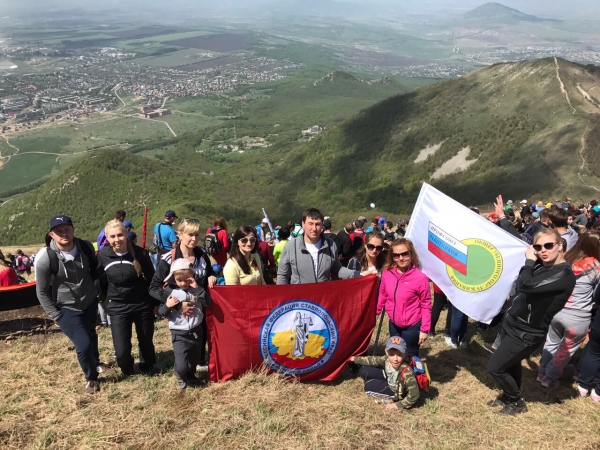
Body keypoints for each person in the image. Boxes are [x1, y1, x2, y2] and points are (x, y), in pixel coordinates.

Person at [487, 229, 576, 415]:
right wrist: (504, 220)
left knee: (495, 367)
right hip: (514, 323)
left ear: (560, 245)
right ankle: (508, 395)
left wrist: (529, 261)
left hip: (527, 331)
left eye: (549, 245)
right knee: (511, 363)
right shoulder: (543, 264)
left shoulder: (563, 274)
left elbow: (525, 285)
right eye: (538, 247)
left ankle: (517, 402)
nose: (544, 250)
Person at [35, 216, 103, 394]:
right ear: (52, 234)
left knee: (90, 334)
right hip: (66, 308)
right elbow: (41, 292)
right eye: (59, 231)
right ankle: (91, 378)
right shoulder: (46, 257)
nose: (64, 233)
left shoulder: (85, 247)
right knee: (83, 344)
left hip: (89, 302)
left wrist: (98, 294)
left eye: (67, 229)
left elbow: (94, 272)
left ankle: (96, 363)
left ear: (73, 229)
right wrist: (56, 315)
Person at [149, 218, 216, 369]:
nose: (194, 239)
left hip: (201, 308)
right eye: (190, 234)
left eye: (197, 235)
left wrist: (212, 276)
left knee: (201, 334)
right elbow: (153, 287)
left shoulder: (202, 255)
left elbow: (209, 274)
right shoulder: (169, 258)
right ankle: (183, 368)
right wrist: (177, 305)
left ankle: (199, 361)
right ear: (179, 235)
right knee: (184, 341)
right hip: (179, 314)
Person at [538, 232, 600, 388]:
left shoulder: (566, 259)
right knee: (565, 350)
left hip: (557, 311)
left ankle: (542, 372)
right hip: (578, 317)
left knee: (551, 343)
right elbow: (597, 296)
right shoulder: (596, 267)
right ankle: (550, 378)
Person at [97, 220, 156, 376]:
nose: (117, 240)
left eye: (120, 235)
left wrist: (155, 303)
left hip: (142, 304)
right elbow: (100, 280)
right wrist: (105, 299)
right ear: (107, 238)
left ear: (126, 234)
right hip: (117, 307)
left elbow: (152, 279)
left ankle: (148, 366)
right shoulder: (103, 256)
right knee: (121, 350)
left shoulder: (141, 253)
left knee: (146, 341)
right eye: (112, 236)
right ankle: (127, 368)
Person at [159, 258, 211, 389]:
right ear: (173, 278)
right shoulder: (169, 291)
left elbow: (208, 303)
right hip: (179, 332)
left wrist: (198, 289)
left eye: (186, 279)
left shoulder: (196, 288)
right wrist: (168, 305)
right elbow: (160, 313)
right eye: (179, 280)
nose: (183, 283)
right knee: (182, 362)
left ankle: (191, 375)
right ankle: (180, 374)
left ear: (192, 276)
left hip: (196, 329)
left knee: (195, 357)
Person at [377, 238, 431, 358]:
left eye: (405, 254)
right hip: (394, 324)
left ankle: (413, 375)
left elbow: (426, 305)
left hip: (412, 326)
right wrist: (377, 309)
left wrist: (424, 329)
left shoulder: (420, 278)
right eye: (396, 255)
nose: (401, 258)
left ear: (411, 253)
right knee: (394, 354)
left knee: (409, 356)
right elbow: (383, 292)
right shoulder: (387, 273)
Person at [277, 208, 359, 284]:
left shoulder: (330, 244)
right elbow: (283, 275)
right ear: (303, 224)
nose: (314, 228)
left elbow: (337, 270)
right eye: (310, 224)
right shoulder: (291, 246)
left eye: (317, 224)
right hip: (300, 298)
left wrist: (357, 274)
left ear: (322, 226)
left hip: (322, 296)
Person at [349, 336, 420, 410]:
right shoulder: (386, 359)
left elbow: (414, 394)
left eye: (399, 355)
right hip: (389, 378)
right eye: (392, 354)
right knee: (364, 370)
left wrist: (398, 405)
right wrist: (355, 359)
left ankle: (377, 384)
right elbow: (373, 360)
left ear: (405, 354)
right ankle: (378, 382)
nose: (395, 359)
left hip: (395, 390)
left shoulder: (407, 372)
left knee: (368, 386)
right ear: (386, 352)